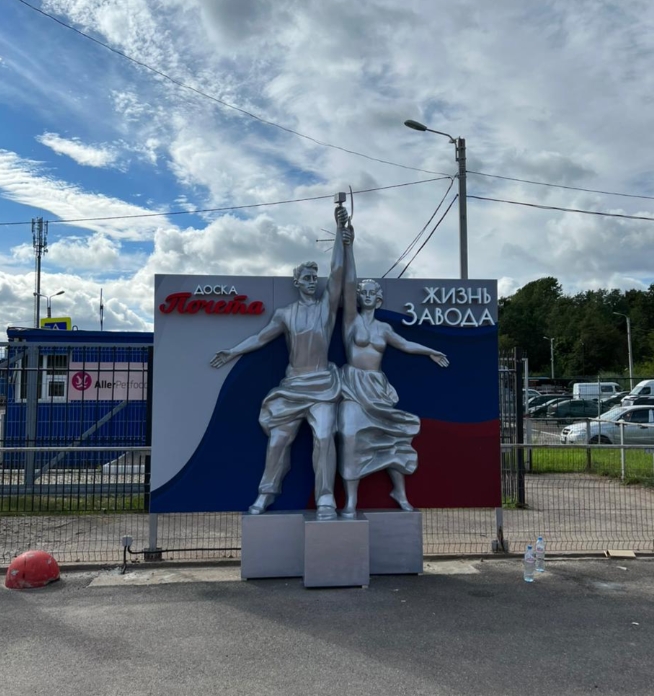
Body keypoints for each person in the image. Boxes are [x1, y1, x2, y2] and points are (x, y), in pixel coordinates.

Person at [210, 205, 352, 520]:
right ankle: (266, 493)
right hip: (292, 388)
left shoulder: (326, 309)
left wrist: (340, 234)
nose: (313, 281)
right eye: (307, 277)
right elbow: (261, 338)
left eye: (315, 277)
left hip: (323, 388)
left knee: (325, 437)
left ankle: (325, 498)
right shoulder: (285, 314)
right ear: (296, 281)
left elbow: (338, 274)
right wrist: (232, 351)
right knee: (277, 441)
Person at [338, 230, 449, 518]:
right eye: (363, 292)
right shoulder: (350, 321)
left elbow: (406, 344)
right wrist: (348, 246)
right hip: (353, 386)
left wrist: (430, 351)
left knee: (393, 437)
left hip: (377, 387)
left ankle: (399, 491)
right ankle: (350, 501)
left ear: (379, 299)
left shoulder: (384, 329)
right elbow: (347, 283)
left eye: (371, 293)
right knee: (349, 436)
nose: (366, 296)